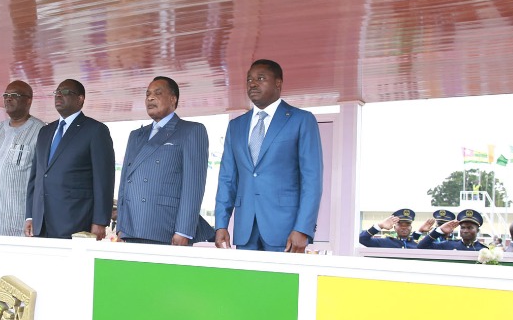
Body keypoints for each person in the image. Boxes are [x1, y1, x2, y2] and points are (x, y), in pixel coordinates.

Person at [214, 59, 322, 252]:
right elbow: (227, 179)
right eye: (249, 80)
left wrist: (303, 228)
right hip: (245, 229)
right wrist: (221, 224)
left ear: (278, 83)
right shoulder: (236, 126)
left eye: (260, 78)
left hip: (286, 231)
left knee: (282, 282)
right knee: (246, 283)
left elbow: (312, 180)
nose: (252, 84)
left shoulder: (301, 120)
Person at [117, 76, 211, 245]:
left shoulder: (191, 131)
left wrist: (184, 230)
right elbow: (125, 183)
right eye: (147, 94)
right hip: (130, 228)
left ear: (173, 99)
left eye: (157, 93)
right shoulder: (136, 135)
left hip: (166, 228)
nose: (150, 98)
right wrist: (120, 227)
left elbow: (193, 186)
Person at [25, 79, 115, 239]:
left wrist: (100, 221)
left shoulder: (95, 131)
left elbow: (104, 180)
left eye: (66, 92)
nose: (59, 95)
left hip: (75, 222)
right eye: (57, 92)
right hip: (41, 223)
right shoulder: (45, 132)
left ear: (80, 99)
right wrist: (30, 216)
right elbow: (36, 177)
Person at [0, 80, 45, 236]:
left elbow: (41, 179)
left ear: (29, 100)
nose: (8, 98)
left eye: (14, 95)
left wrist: (33, 217)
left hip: (22, 221)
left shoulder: (40, 131)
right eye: (6, 95)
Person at [416, 209, 488, 251]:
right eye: (463, 227)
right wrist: (439, 230)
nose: (465, 231)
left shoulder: (484, 250)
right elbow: (421, 247)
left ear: (477, 230)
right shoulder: (448, 244)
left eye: (470, 228)